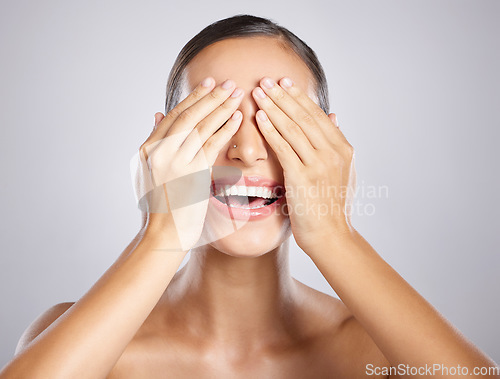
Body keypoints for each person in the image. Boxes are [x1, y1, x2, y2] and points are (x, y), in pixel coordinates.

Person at [0, 14, 498, 379]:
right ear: (163, 145)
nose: (246, 150)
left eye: (278, 121)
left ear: (329, 146)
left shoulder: (379, 352)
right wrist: (161, 233)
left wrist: (332, 234)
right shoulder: (78, 340)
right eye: (216, 119)